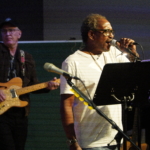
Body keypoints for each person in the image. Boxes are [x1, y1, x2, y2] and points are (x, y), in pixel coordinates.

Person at [60, 13, 139, 150]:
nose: (112, 36)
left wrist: (132, 54)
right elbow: (66, 105)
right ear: (92, 35)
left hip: (116, 137)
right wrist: (72, 141)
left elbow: (133, 75)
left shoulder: (114, 54)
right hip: (90, 142)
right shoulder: (72, 62)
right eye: (107, 31)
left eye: (112, 32)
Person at [0, 18, 60, 150]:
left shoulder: (26, 57)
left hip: (21, 113)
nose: (7, 34)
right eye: (4, 31)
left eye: (11, 30)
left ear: (19, 34)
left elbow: (32, 85)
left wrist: (48, 86)